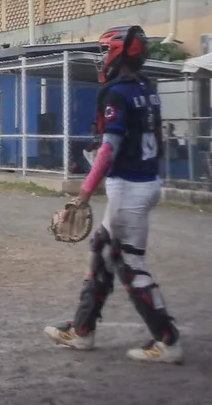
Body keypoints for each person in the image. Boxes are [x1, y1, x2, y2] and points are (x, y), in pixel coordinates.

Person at [43, 25, 183, 364]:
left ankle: (168, 340)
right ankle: (82, 329)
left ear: (121, 55)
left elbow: (109, 149)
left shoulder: (116, 92)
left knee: (129, 264)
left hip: (130, 188)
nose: (103, 58)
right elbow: (157, 142)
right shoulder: (146, 88)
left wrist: (84, 195)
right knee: (103, 251)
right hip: (143, 182)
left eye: (108, 51)